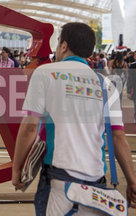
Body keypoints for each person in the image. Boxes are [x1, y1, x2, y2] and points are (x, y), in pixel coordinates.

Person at [12, 22, 136, 215]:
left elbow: (29, 128)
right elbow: (118, 136)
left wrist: (17, 169)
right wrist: (132, 181)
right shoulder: (107, 85)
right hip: (97, 187)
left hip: (59, 180)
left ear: (64, 46)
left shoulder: (46, 73)